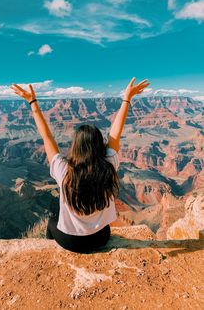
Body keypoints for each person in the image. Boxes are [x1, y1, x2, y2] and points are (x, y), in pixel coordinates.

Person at [10, 77, 150, 253]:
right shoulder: (108, 164)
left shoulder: (64, 170)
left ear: (75, 146)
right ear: (100, 144)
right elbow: (116, 133)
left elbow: (47, 137)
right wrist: (127, 98)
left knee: (53, 220)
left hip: (70, 242)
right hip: (100, 238)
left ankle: (50, 252)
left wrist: (33, 102)